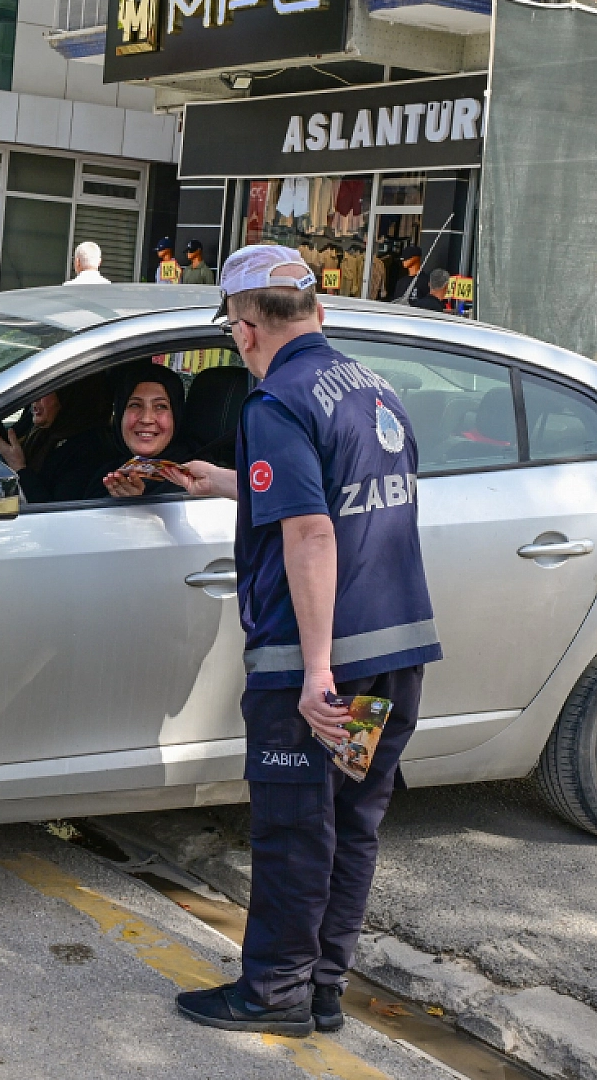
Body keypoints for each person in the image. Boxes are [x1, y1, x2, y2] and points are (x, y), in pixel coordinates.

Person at [165, 244, 441, 1038]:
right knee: (350, 823)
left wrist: (315, 672)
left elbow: (314, 533)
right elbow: (343, 495)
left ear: (245, 330)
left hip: (317, 665)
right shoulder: (372, 389)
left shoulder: (276, 401)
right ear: (316, 313)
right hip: (394, 654)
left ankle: (273, 992)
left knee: (294, 828)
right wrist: (226, 479)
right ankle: (323, 989)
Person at [0, 375, 110, 502]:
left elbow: (54, 512)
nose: (34, 397)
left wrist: (19, 468)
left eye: (44, 390)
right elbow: (10, 439)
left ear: (66, 395)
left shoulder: (88, 450)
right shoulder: (39, 426)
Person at [97, 363, 192, 498]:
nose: (146, 419)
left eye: (160, 406)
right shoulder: (101, 471)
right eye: (135, 405)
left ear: (176, 415)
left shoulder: (196, 481)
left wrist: (137, 508)